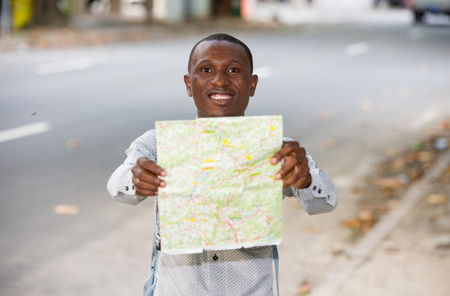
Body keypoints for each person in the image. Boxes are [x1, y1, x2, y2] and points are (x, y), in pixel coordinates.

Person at [107, 33, 338, 296]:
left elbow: (326, 201)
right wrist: (135, 180)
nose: (220, 80)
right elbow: (117, 184)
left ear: (252, 84)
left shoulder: (275, 148)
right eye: (206, 70)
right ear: (188, 84)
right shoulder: (161, 143)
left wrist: (304, 180)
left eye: (233, 70)